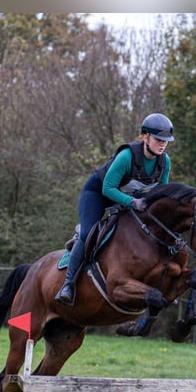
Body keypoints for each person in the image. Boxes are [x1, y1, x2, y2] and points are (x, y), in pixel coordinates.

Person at [55, 112, 175, 305]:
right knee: (88, 232)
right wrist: (133, 202)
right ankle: (68, 285)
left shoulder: (164, 162)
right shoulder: (127, 156)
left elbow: (160, 195)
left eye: (166, 141)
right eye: (158, 139)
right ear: (145, 137)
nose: (162, 144)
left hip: (125, 200)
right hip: (98, 195)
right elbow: (107, 188)